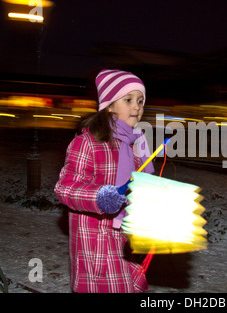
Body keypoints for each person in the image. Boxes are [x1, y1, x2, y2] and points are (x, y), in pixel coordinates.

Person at [54, 69, 154, 293]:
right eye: (128, 100)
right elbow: (65, 187)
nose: (137, 107)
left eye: (140, 101)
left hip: (126, 244)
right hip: (96, 245)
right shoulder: (87, 143)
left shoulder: (137, 145)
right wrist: (99, 196)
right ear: (109, 105)